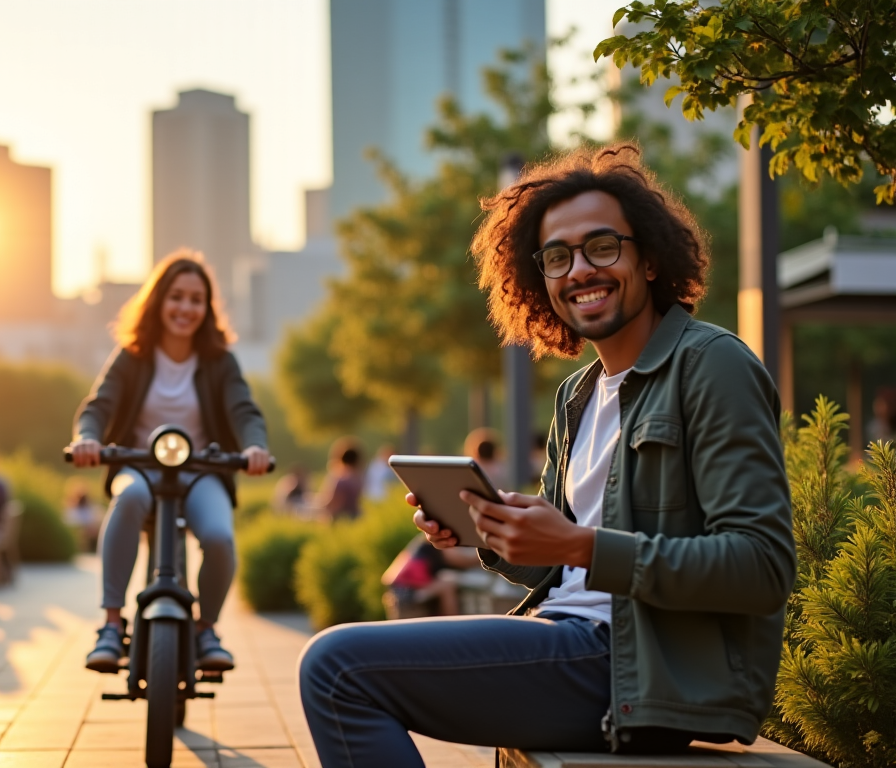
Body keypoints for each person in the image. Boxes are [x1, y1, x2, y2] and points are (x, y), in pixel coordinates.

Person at [298, 144, 796, 764]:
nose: (579, 270)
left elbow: (762, 567)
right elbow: (558, 569)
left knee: (336, 668)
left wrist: (579, 546)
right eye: (557, 257)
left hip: (638, 673)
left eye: (603, 246)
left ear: (649, 260)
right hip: (570, 639)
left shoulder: (711, 365)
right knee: (338, 665)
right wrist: (486, 530)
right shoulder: (578, 394)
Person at [69, 250, 271, 674]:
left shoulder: (219, 360)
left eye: (196, 300)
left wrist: (255, 447)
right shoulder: (134, 355)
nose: (185, 307)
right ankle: (110, 624)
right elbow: (98, 407)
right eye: (176, 296)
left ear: (207, 308)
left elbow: (244, 411)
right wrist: (87, 439)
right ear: (159, 300)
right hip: (139, 465)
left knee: (219, 537)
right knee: (127, 501)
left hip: (201, 473)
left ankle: (206, 628)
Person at [310, 437, 363, 521]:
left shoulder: (340, 480)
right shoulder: (358, 480)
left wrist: (315, 503)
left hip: (341, 519)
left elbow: (331, 502)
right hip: (356, 516)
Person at [63, 480, 103, 553]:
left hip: (90, 531)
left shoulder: (91, 506)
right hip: (78, 531)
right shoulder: (71, 508)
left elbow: (98, 518)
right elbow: (68, 522)